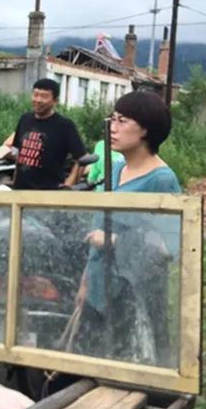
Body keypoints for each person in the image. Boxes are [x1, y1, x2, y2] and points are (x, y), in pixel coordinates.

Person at [76, 90, 182, 365]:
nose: (113, 128)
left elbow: (169, 247)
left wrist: (117, 242)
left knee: (132, 371)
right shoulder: (117, 170)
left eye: (122, 121)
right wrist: (86, 283)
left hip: (136, 297)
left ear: (145, 130)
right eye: (112, 119)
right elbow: (100, 227)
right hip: (100, 288)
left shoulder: (161, 180)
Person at [8, 78, 87, 190]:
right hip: (21, 192)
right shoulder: (24, 119)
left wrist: (69, 184)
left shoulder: (64, 125)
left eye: (44, 96)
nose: (38, 100)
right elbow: (18, 154)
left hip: (48, 194)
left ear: (55, 101)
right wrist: (14, 183)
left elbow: (82, 158)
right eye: (35, 95)